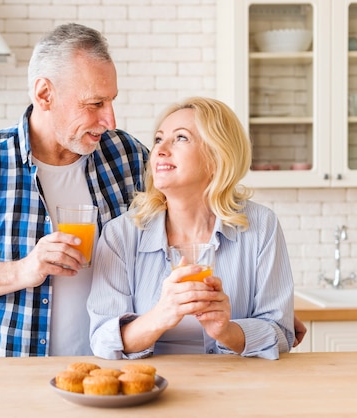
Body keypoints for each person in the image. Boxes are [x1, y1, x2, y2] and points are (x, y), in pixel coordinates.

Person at [0, 23, 148, 357]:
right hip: (13, 378)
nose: (110, 120)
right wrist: (25, 269)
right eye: (95, 103)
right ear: (44, 95)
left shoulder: (127, 156)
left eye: (111, 101)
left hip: (108, 374)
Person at [87, 96, 295, 360]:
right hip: (152, 388)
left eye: (181, 138)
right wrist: (161, 315)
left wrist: (227, 331)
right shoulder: (121, 234)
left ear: (217, 155)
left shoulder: (261, 226)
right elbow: (103, 339)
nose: (160, 150)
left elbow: (282, 333)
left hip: (236, 388)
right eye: (159, 139)